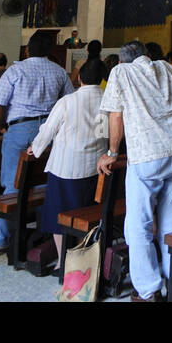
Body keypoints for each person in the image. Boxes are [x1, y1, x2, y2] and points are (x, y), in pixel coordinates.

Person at [97, 40, 172, 302]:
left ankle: (149, 290)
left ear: (120, 61)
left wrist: (113, 152)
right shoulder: (166, 67)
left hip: (147, 155)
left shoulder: (121, 72)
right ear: (148, 55)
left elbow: (115, 116)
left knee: (138, 224)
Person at [0, 33, 73, 254]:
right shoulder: (59, 71)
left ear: (27, 50)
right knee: (44, 180)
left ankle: (4, 239)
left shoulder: (15, 71)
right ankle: (44, 232)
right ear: (49, 52)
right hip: (50, 129)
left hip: (20, 128)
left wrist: (2, 128)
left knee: (11, 183)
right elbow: (69, 101)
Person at [31, 56, 107, 259]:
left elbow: (49, 129)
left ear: (79, 77)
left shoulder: (68, 101)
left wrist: (35, 147)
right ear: (101, 79)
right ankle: (86, 256)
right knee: (88, 211)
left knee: (59, 214)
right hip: (97, 166)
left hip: (67, 167)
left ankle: (63, 260)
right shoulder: (108, 100)